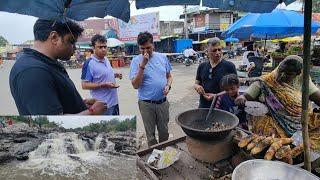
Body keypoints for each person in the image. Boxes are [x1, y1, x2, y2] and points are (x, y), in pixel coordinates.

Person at [9, 19, 106, 115]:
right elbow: (53, 121)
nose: (75, 47)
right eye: (71, 41)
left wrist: (79, 103)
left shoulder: (46, 63)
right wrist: (92, 112)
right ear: (54, 37)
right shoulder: (33, 72)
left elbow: (53, 101)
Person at [235, 55, 320, 150]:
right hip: (271, 127)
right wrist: (241, 98)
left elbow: (317, 98)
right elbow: (246, 96)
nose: (282, 75)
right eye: (281, 71)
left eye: (288, 74)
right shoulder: (268, 80)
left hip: (299, 126)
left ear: (298, 73)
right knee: (269, 146)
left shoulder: (303, 81)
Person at [129, 31, 173, 146]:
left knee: (164, 132)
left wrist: (168, 86)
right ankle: (154, 156)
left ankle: (164, 153)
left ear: (153, 45)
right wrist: (143, 65)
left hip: (163, 102)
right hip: (146, 104)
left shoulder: (162, 58)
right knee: (151, 135)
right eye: (142, 48)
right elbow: (135, 85)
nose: (145, 51)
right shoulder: (135, 61)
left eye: (148, 47)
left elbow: (169, 76)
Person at [81, 34, 122, 115]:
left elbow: (102, 75)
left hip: (114, 102)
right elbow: (84, 85)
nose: (103, 49)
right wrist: (103, 85)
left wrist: (114, 75)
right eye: (100, 47)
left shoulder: (106, 59)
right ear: (93, 47)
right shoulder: (89, 63)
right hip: (101, 106)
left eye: (105, 47)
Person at [194, 37, 237, 108]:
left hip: (222, 107)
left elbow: (235, 89)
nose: (217, 53)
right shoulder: (202, 66)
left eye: (219, 49)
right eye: (214, 50)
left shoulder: (229, 66)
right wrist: (197, 87)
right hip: (204, 106)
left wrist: (216, 96)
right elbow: (196, 83)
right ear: (207, 52)